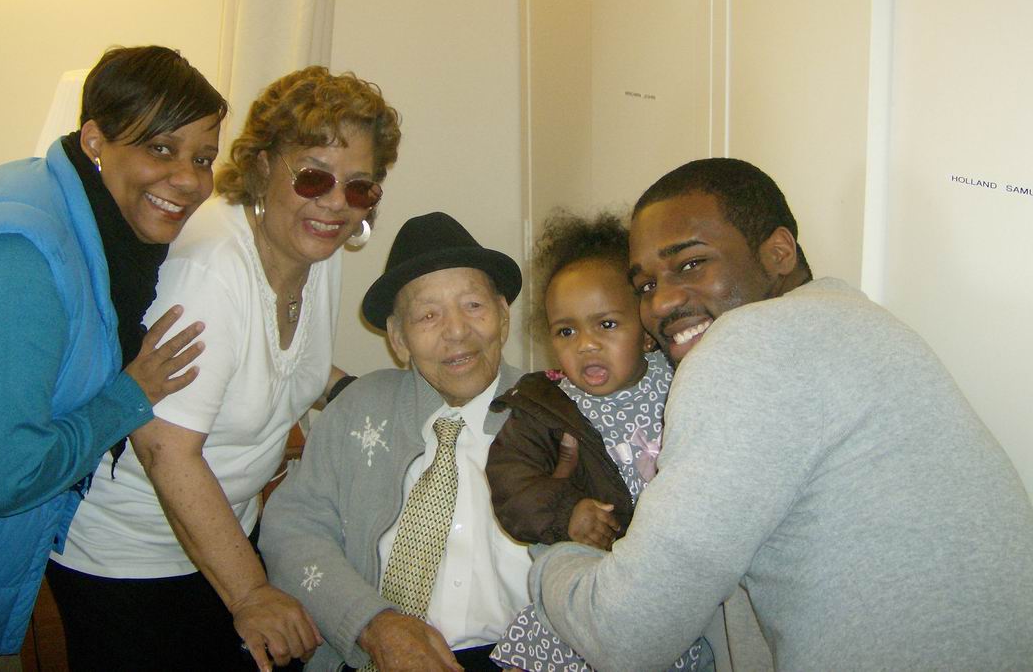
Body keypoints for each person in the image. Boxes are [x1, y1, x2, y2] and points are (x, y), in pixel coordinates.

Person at [529, 158, 1033, 671]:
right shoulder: (860, 324)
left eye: (691, 264)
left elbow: (627, 634)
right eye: (645, 286)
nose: (660, 304)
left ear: (779, 252)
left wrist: (550, 554)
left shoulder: (749, 346)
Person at [45, 67, 402, 672]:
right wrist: (251, 593)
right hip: (130, 558)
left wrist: (376, 400)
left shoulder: (315, 248)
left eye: (359, 187)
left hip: (228, 533)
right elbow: (164, 447)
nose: (336, 203)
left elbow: (283, 365)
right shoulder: (210, 268)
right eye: (314, 176)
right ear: (262, 166)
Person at [0, 46, 224, 668]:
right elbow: (8, 479)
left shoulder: (77, 218)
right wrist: (131, 395)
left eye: (203, 157)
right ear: (95, 140)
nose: (190, 180)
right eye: (160, 148)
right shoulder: (20, 255)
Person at [259, 211, 531, 672]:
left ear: (503, 317)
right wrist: (373, 625)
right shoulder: (358, 409)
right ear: (398, 339)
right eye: (428, 315)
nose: (456, 331)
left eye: (473, 305)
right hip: (374, 649)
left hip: (521, 657)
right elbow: (293, 528)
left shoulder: (551, 415)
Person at [486, 211, 712, 672]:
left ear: (646, 333)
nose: (585, 344)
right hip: (585, 596)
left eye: (606, 325)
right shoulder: (548, 406)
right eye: (566, 331)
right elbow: (511, 480)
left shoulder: (684, 383)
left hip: (667, 598)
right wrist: (566, 511)